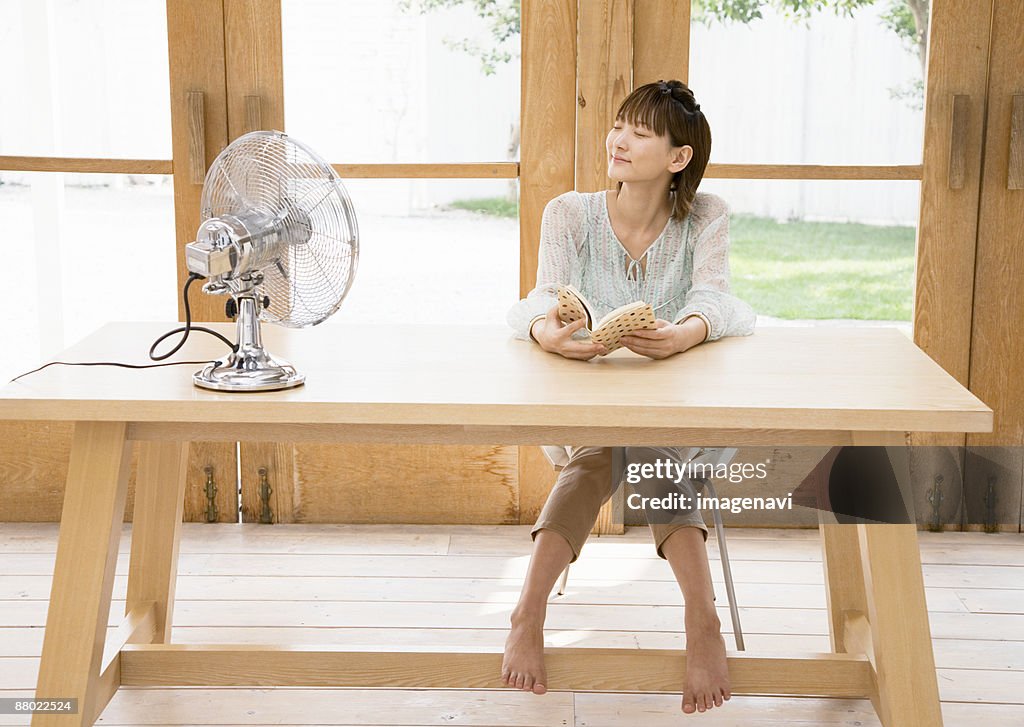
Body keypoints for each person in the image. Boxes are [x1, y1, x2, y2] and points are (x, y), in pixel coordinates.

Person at [503, 79, 756, 715]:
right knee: (607, 444)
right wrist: (549, 333)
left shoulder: (706, 216)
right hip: (586, 406)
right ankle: (535, 615)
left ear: (678, 158)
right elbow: (538, 298)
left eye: (640, 132)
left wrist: (684, 334)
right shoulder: (569, 213)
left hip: (683, 415)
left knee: (643, 446)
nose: (619, 139)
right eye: (620, 125)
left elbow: (721, 301)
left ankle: (694, 624)